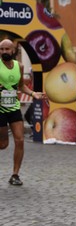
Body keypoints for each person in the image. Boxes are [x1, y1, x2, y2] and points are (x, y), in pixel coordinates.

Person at [0, 39, 45, 186]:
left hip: (13, 107)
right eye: (2, 49)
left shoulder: (19, 66)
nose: (4, 52)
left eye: (7, 49)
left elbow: (21, 86)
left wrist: (33, 94)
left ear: (13, 50)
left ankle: (15, 174)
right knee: (3, 144)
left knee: (19, 140)